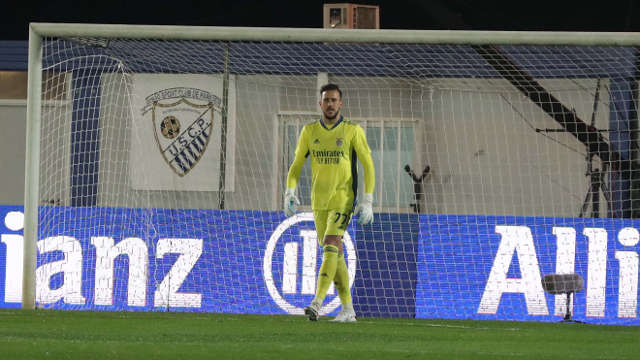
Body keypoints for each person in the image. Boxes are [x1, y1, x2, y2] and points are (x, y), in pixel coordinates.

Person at [283, 83, 375, 322]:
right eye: (327, 100)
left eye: (334, 100)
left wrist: (368, 200)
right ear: (320, 104)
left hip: (343, 199)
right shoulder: (310, 131)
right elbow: (296, 165)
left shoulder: (352, 131)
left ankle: (317, 302)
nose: (331, 104)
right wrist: (289, 192)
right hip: (319, 202)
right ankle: (347, 309)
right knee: (336, 253)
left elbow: (368, 165)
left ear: (340, 103)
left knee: (331, 244)